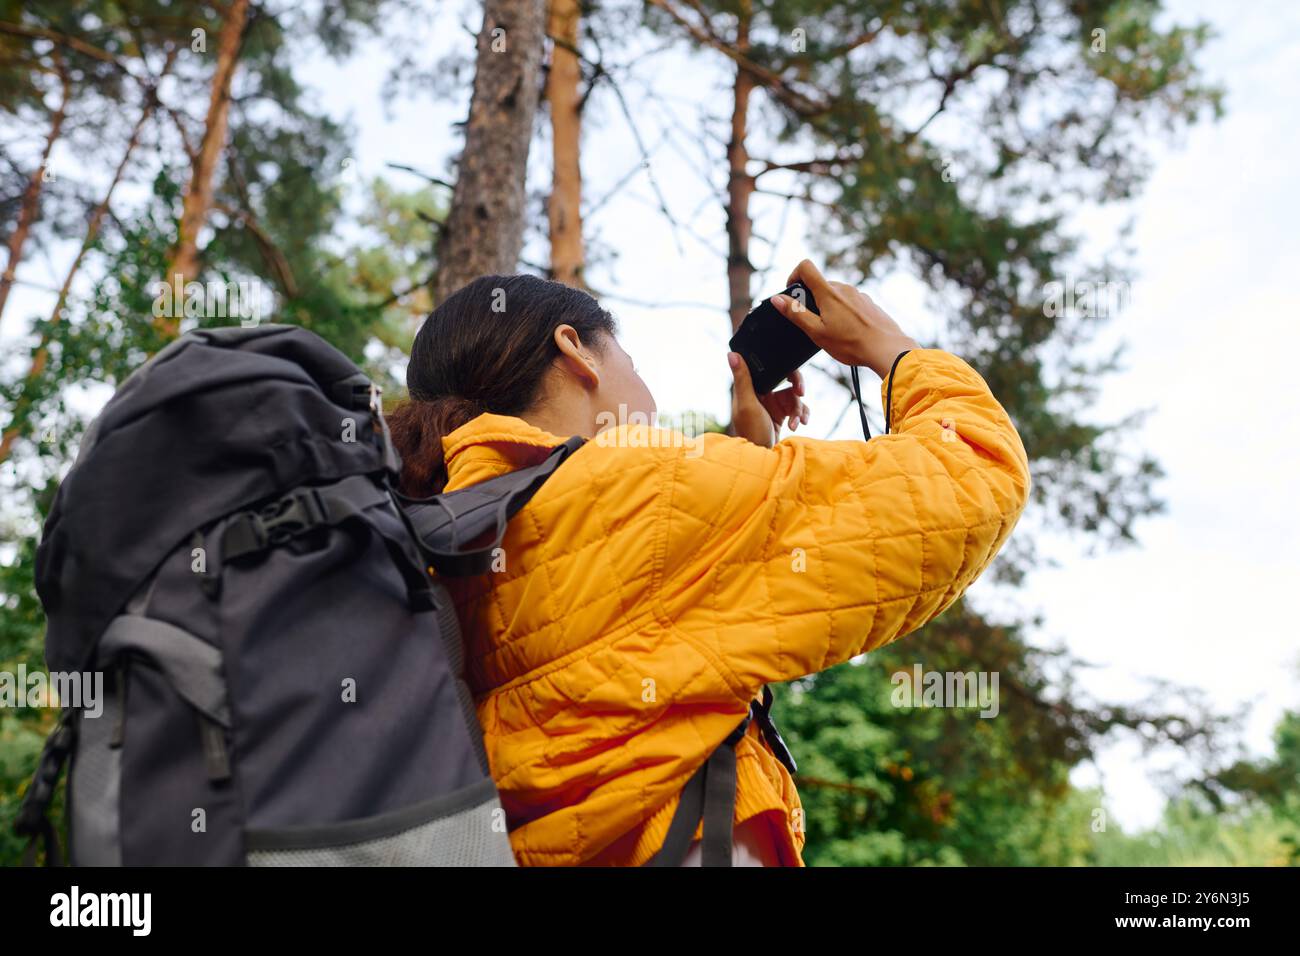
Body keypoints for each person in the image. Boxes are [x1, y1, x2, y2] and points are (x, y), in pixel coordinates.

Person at [387, 260, 1030, 866]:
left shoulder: (444, 532)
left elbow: (623, 657)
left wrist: (745, 460)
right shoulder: (637, 488)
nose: (649, 396)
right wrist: (890, 350)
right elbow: (971, 479)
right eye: (627, 359)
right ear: (575, 350)